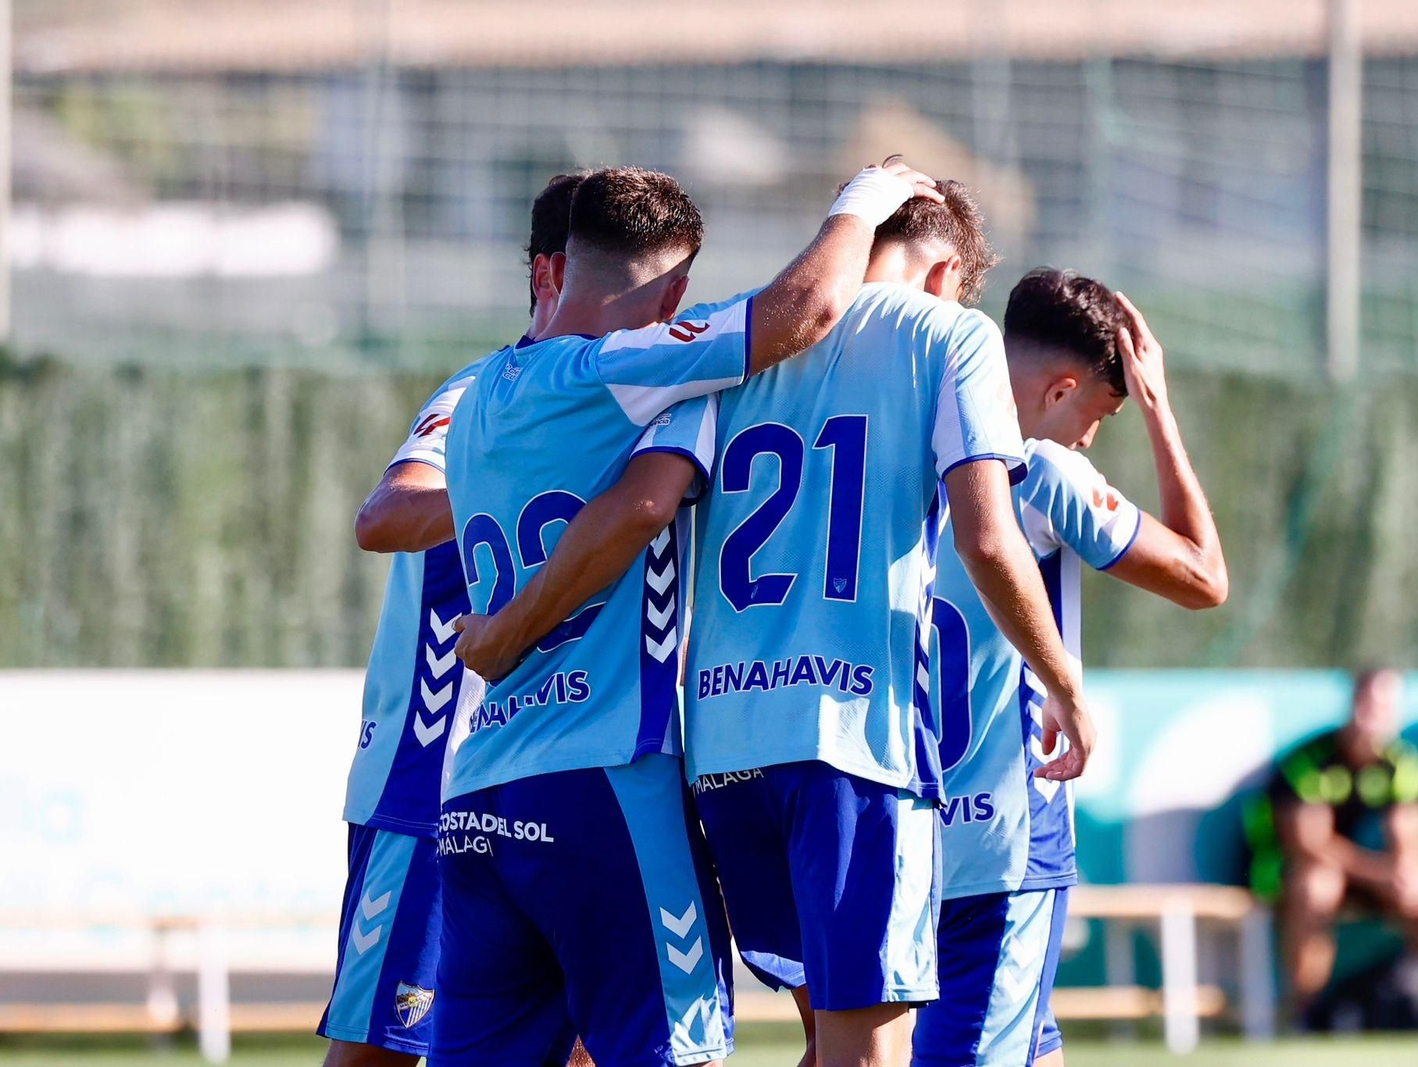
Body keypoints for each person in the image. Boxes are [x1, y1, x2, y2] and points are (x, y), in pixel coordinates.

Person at [453, 180, 1097, 1067]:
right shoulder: (952, 337)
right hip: (855, 741)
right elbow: (988, 536)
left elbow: (643, 499)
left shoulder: (734, 350)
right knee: (869, 1051)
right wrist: (1063, 680)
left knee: (812, 1038)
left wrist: (512, 623)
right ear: (945, 273)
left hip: (727, 757)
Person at [912, 270, 1227, 1067]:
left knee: (1021, 1042)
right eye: (1100, 411)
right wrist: (1160, 412)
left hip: (902, 827)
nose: (1092, 436)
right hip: (1007, 835)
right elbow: (1204, 576)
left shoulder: (899, 456)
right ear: (1061, 388)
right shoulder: (1042, 472)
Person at [317, 171, 586, 1066]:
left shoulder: (628, 401)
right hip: (432, 786)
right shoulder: (480, 397)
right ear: (551, 274)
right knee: (383, 1050)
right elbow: (386, 516)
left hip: (571, 778)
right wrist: (521, 471)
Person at [1245, 667, 1418, 1021]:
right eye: (1369, 704)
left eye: (1386, 707)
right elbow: (1309, 844)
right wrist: (1380, 874)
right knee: (1317, 886)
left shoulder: (1402, 762)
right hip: (1284, 867)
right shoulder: (1312, 760)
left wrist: (1408, 876)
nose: (1375, 715)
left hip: (1365, 873)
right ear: (1353, 703)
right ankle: (1306, 1014)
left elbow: (1410, 833)